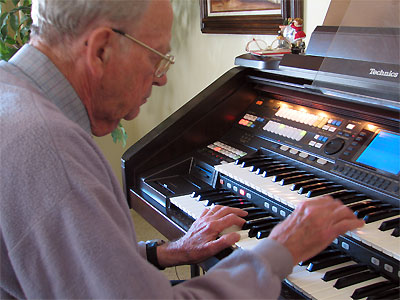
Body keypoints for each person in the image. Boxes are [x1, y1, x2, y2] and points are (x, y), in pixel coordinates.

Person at [0, 0, 364, 299]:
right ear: (100, 51)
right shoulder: (51, 148)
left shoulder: (12, 95)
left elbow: (57, 265)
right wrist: (282, 248)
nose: (161, 77)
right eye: (156, 57)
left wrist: (162, 253)